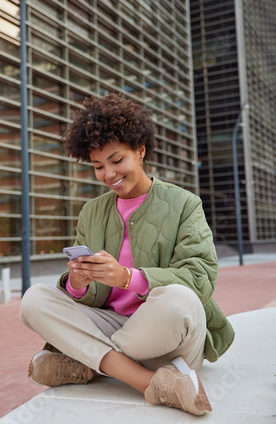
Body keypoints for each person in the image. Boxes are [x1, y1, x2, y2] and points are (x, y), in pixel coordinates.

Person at [20, 93, 234, 416]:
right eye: (98, 166)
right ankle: (149, 382)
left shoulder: (185, 205)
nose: (108, 174)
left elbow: (200, 279)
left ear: (140, 150)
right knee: (34, 299)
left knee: (182, 299)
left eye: (117, 160)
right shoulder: (91, 213)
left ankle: (86, 361)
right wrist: (78, 283)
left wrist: (127, 278)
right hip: (115, 327)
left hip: (165, 336)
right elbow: (87, 299)